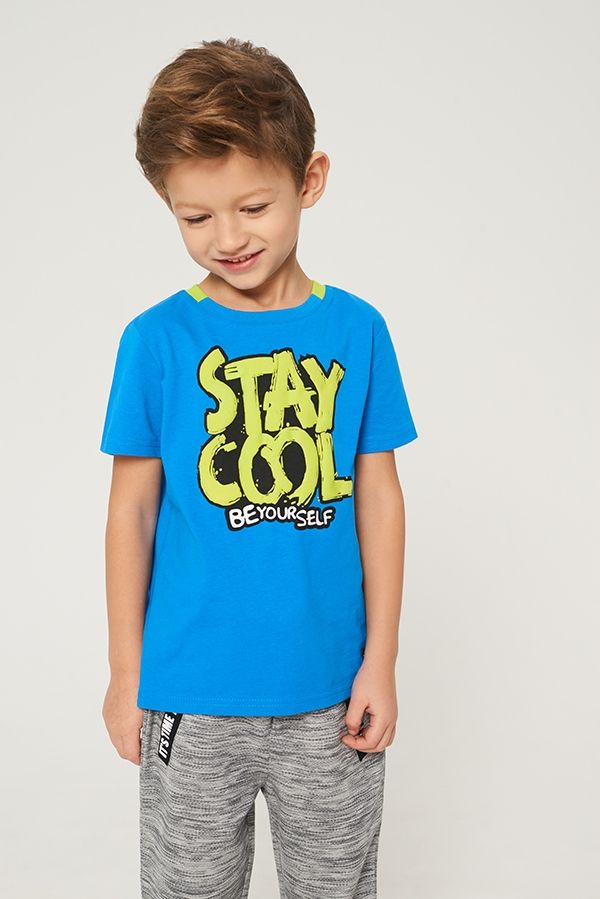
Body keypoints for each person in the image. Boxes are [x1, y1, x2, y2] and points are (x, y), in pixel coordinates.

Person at [99, 36, 418, 899]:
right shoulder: (155, 341)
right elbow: (131, 513)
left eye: (252, 206)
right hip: (190, 699)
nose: (228, 238)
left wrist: (381, 659)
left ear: (310, 180)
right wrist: (126, 672)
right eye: (196, 218)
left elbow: (379, 498)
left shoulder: (357, 331)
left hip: (329, 697)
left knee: (334, 887)